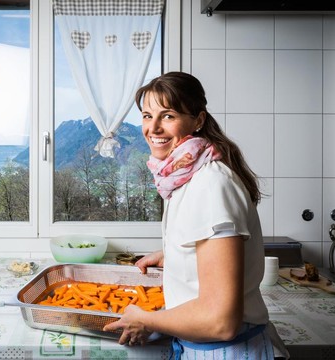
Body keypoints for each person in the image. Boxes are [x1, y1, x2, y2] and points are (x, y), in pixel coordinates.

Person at [103, 72, 289, 359]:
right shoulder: (183, 175)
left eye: (167, 116)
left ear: (198, 120)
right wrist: (174, 254)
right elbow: (211, 249)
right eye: (147, 116)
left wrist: (145, 319)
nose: (153, 128)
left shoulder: (211, 185)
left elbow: (220, 321)